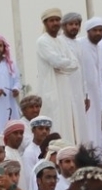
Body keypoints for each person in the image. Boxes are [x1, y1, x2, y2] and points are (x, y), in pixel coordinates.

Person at [36, 8, 88, 146]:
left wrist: (62, 66)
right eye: (51, 20)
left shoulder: (61, 41)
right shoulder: (42, 41)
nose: (55, 23)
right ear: (45, 23)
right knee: (56, 121)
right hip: (51, 89)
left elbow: (75, 63)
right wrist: (64, 64)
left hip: (65, 89)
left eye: (57, 20)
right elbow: (56, 61)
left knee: (69, 123)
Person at [79, 17, 102, 138]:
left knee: (96, 125)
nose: (98, 33)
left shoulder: (99, 48)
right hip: (84, 95)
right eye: (95, 30)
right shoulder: (80, 45)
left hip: (97, 93)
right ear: (88, 31)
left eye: (101, 30)